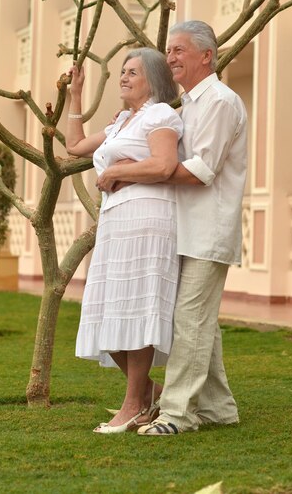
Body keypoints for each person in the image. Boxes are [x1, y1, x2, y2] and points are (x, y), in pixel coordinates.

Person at [135, 20, 248, 435]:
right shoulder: (192, 103)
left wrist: (140, 173)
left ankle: (178, 414)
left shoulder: (219, 100)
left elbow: (202, 170)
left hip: (208, 229)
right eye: (169, 50)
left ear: (207, 55)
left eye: (179, 50)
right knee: (201, 323)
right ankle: (219, 409)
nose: (170, 58)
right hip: (186, 228)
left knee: (191, 320)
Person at [66, 47, 183, 434]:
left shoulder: (161, 115)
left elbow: (165, 164)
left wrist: (120, 170)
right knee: (106, 311)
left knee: (134, 310)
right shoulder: (120, 123)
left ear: (153, 79)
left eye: (133, 71)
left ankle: (134, 404)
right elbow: (75, 147)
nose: (124, 77)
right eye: (122, 71)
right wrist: (76, 96)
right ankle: (148, 393)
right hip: (117, 222)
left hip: (147, 219)